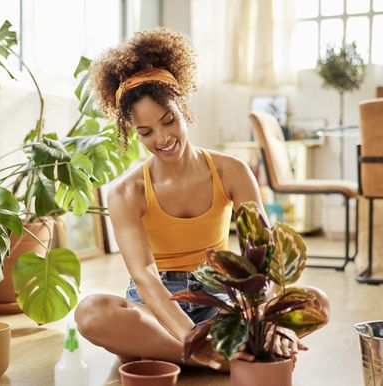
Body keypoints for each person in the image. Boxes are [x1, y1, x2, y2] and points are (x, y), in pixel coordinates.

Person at [74, 27, 329, 372]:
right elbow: (146, 277)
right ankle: (218, 357)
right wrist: (191, 336)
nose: (163, 138)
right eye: (145, 132)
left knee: (317, 302)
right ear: (132, 132)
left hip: (219, 297)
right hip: (157, 307)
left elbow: (263, 256)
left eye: (169, 121)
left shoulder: (231, 171)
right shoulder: (126, 192)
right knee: (91, 312)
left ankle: (167, 354)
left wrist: (266, 316)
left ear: (183, 106)